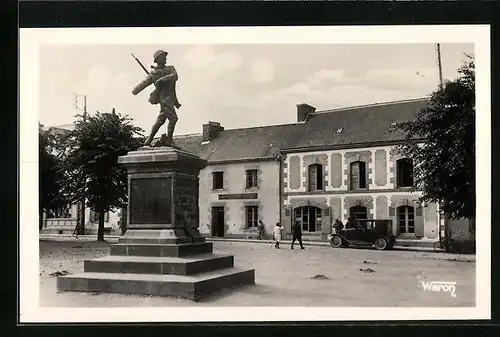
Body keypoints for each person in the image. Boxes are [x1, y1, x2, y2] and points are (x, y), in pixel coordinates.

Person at [132, 49, 181, 147]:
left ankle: (148, 140)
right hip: (164, 99)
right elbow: (143, 83)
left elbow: (175, 76)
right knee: (173, 118)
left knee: (161, 120)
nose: (166, 58)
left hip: (170, 98)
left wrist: (161, 80)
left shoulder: (170, 69)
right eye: (163, 56)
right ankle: (169, 140)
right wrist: (135, 90)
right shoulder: (153, 73)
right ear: (158, 59)